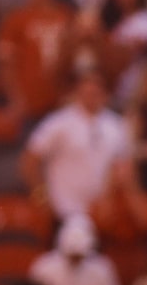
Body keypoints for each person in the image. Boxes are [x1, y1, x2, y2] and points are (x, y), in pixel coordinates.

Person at [23, 73, 133, 222]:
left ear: (105, 94)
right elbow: (30, 160)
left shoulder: (116, 125)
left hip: (101, 213)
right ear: (78, 93)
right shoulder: (58, 123)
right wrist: (42, 197)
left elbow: (123, 168)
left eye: (96, 92)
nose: (92, 96)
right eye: (87, 92)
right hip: (63, 210)